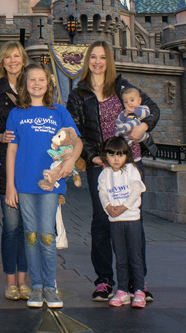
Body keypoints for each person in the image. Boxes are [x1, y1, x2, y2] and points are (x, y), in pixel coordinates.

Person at [66, 40, 159, 302]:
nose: (97, 62)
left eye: (102, 57)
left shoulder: (122, 87)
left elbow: (152, 109)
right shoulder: (78, 94)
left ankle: (136, 282)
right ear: (87, 61)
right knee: (102, 220)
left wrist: (144, 128)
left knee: (133, 221)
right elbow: (75, 131)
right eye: (93, 57)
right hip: (102, 165)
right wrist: (92, 156)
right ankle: (105, 280)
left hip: (131, 162)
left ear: (109, 61)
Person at [5, 62, 83, 309]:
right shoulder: (16, 113)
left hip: (52, 182)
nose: (37, 84)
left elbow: (77, 142)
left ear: (48, 83)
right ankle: (36, 286)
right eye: (32, 80)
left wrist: (69, 162)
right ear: (24, 84)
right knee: (30, 235)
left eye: (41, 80)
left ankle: (51, 286)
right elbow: (12, 150)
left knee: (47, 235)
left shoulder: (59, 111)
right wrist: (10, 185)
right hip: (25, 183)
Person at [0, 41, 31, 301]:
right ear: (2, 62)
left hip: (32, 164)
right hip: (6, 165)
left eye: (17, 56)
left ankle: (24, 280)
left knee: (28, 226)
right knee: (11, 226)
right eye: (7, 57)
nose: (12, 61)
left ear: (23, 60)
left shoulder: (34, 87)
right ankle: (11, 281)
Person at [98, 137, 147, 309]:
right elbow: (102, 192)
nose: (116, 159)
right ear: (106, 156)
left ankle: (139, 290)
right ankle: (123, 290)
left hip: (131, 219)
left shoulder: (132, 170)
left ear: (126, 155)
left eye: (120, 155)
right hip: (115, 221)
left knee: (135, 256)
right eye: (111, 155)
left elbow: (136, 190)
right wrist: (108, 207)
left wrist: (124, 207)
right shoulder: (104, 174)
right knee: (120, 258)